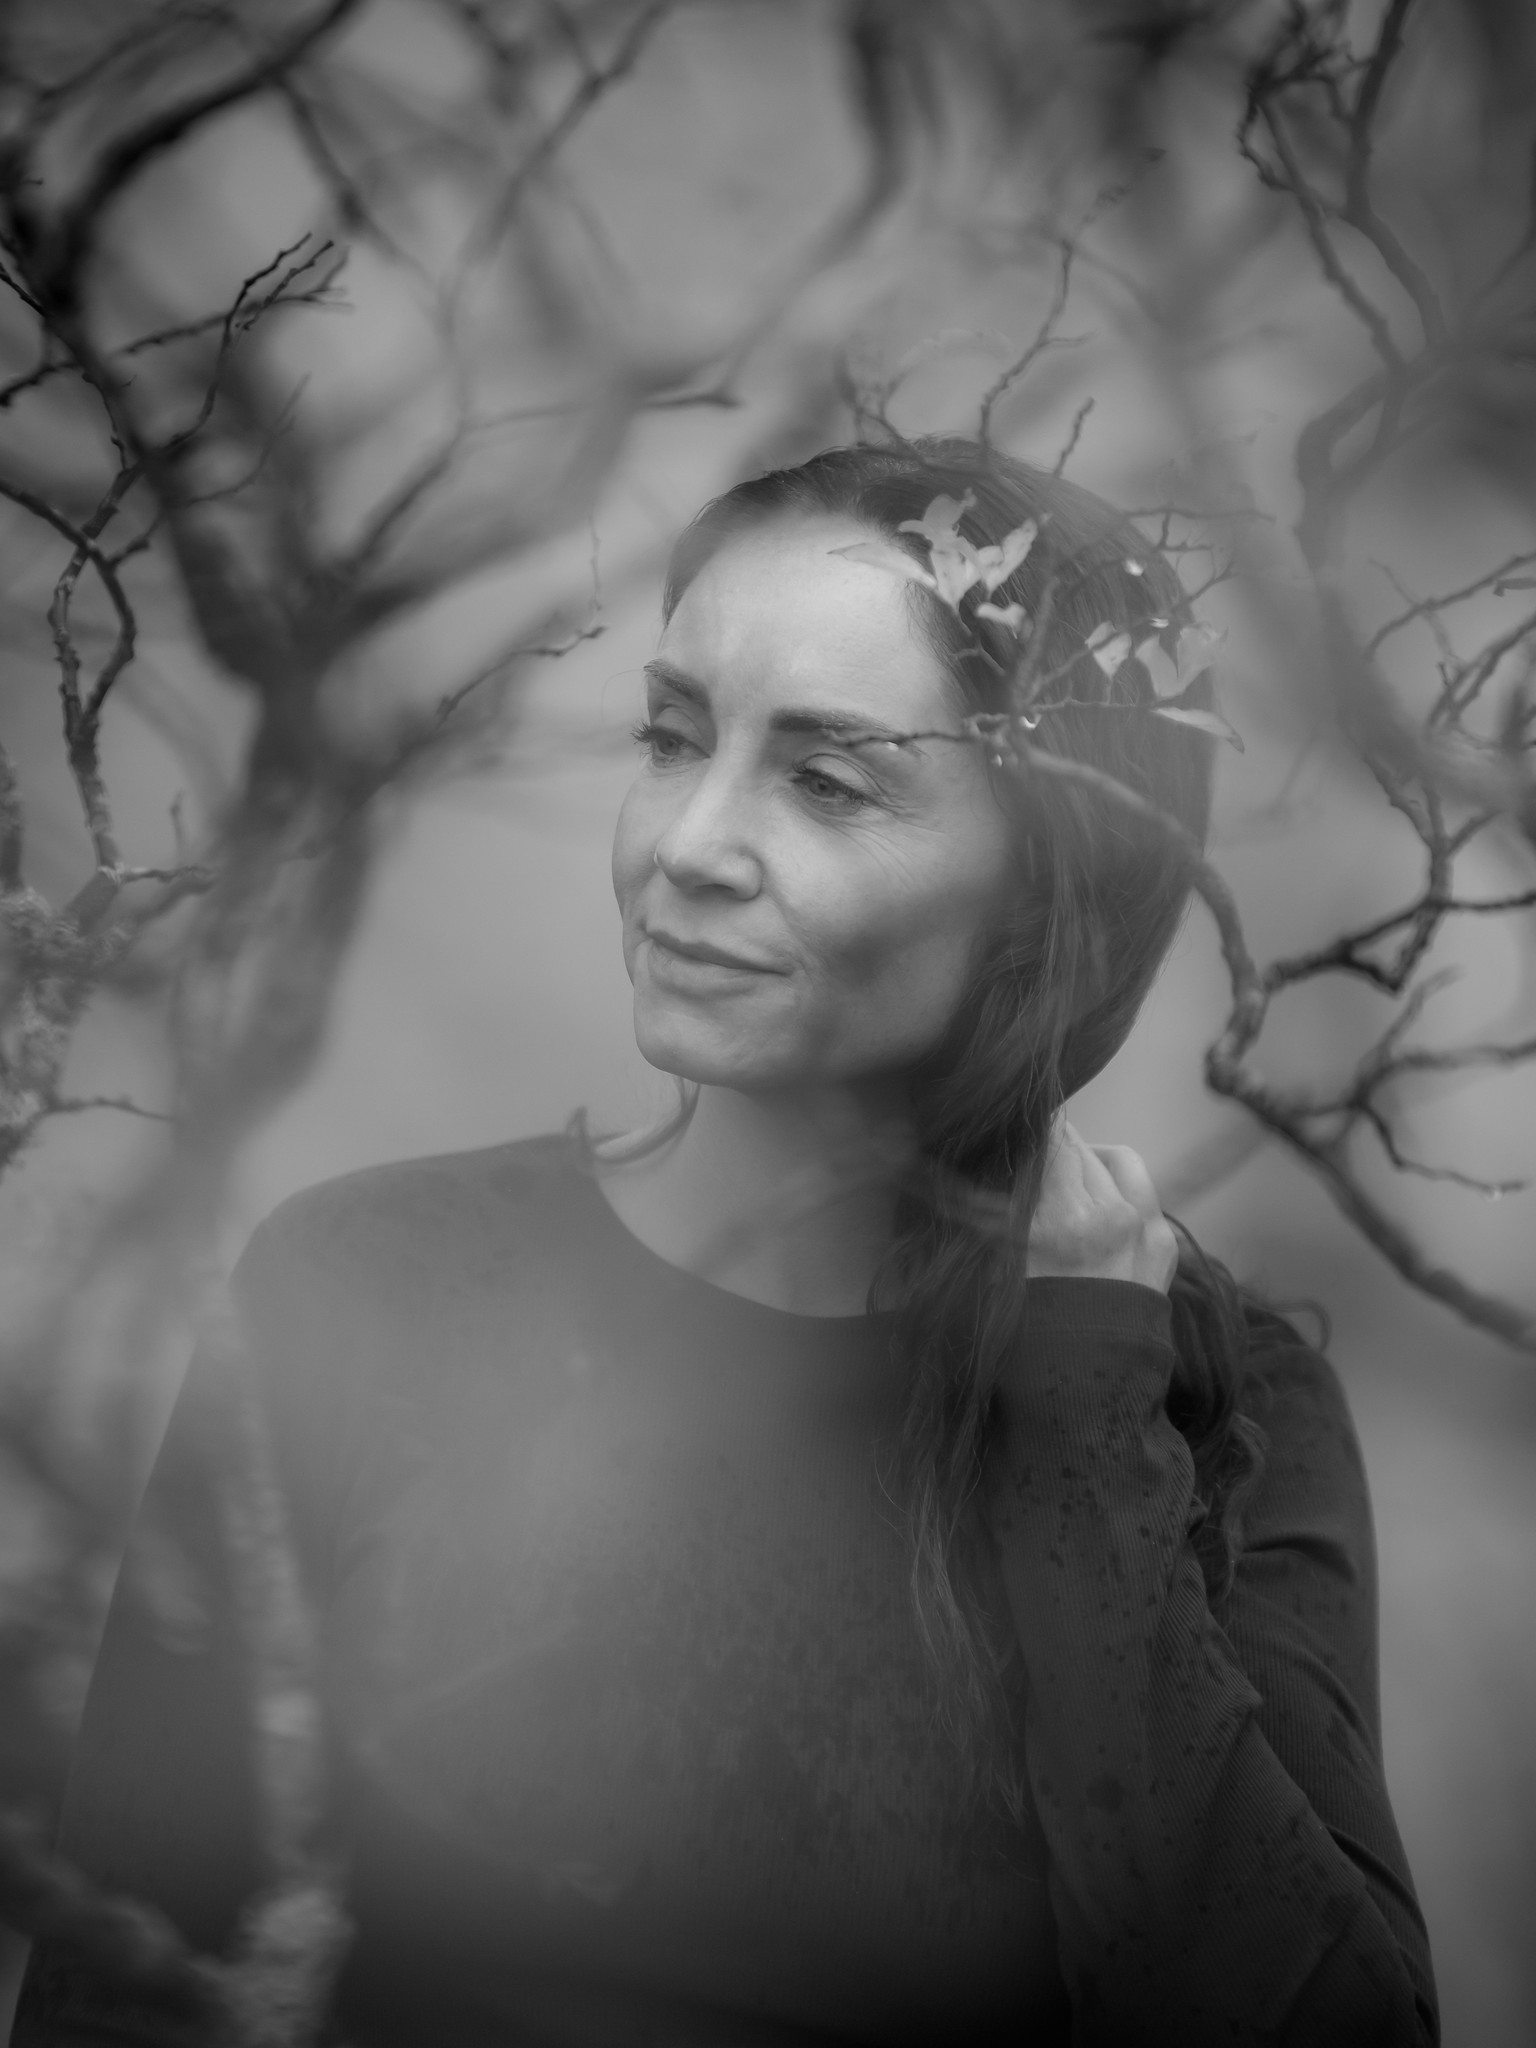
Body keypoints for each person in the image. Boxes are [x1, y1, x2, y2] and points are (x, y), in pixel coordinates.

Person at [16, 438, 1438, 2046]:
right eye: (672, 736)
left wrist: (1088, 1421)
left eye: (827, 781)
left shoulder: (1211, 1402)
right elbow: (118, 1990)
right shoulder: (368, 1286)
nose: (687, 844)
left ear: (1056, 879)